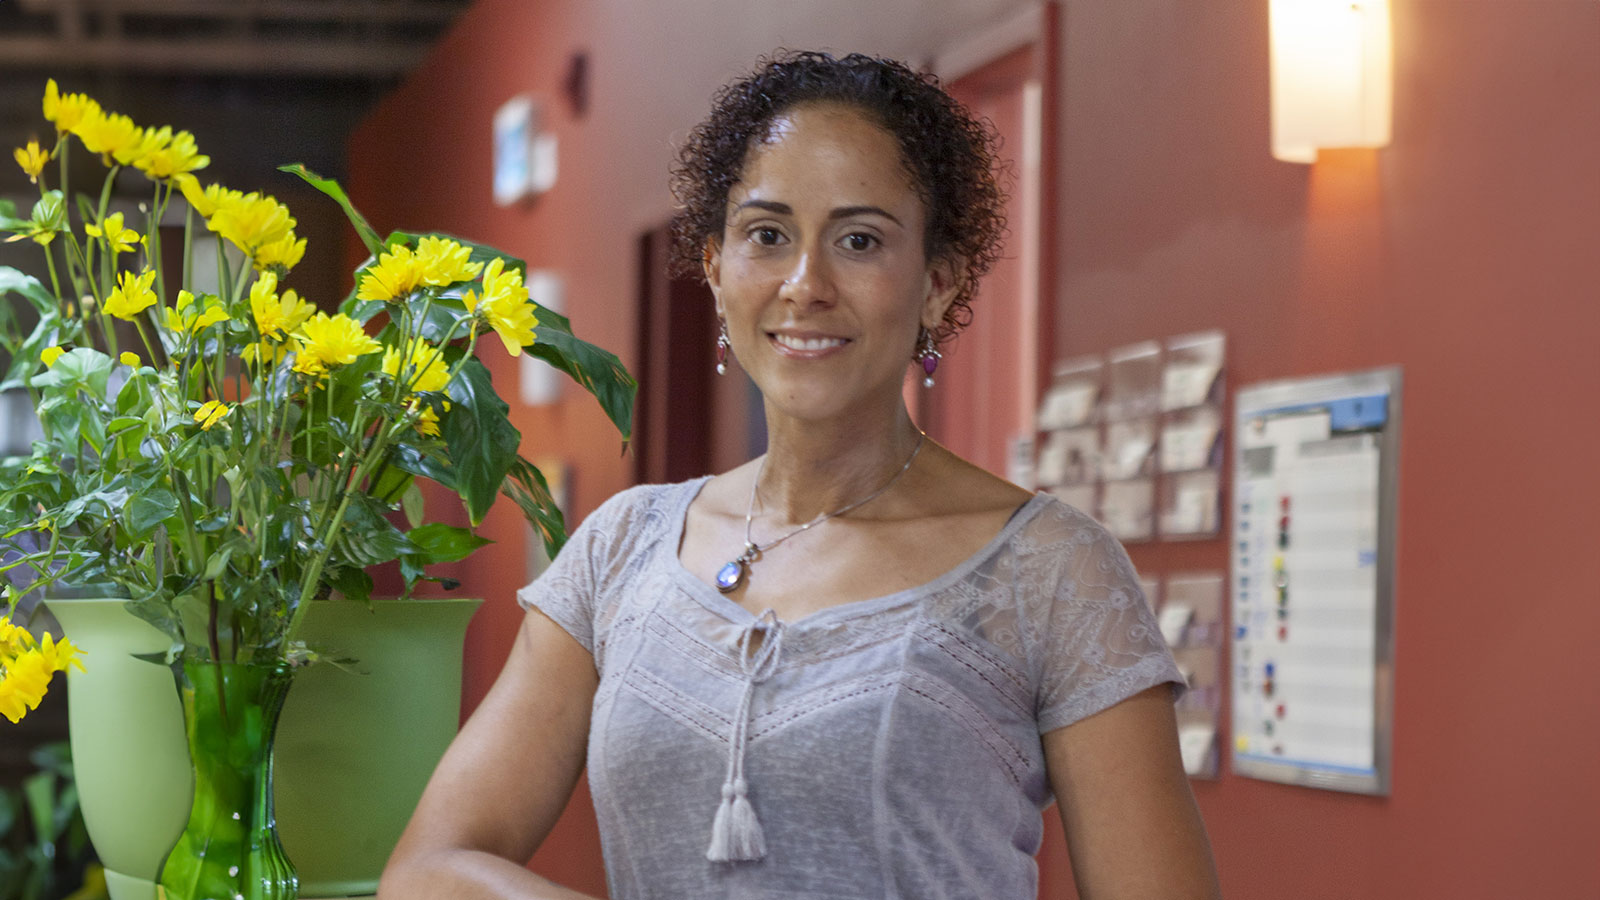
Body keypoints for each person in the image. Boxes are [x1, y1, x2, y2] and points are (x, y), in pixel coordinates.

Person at [379, 51, 1221, 900]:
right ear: (714, 267)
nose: (805, 284)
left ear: (937, 283)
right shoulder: (621, 549)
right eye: (767, 235)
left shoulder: (1048, 570)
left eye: (859, 241)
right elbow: (425, 874)